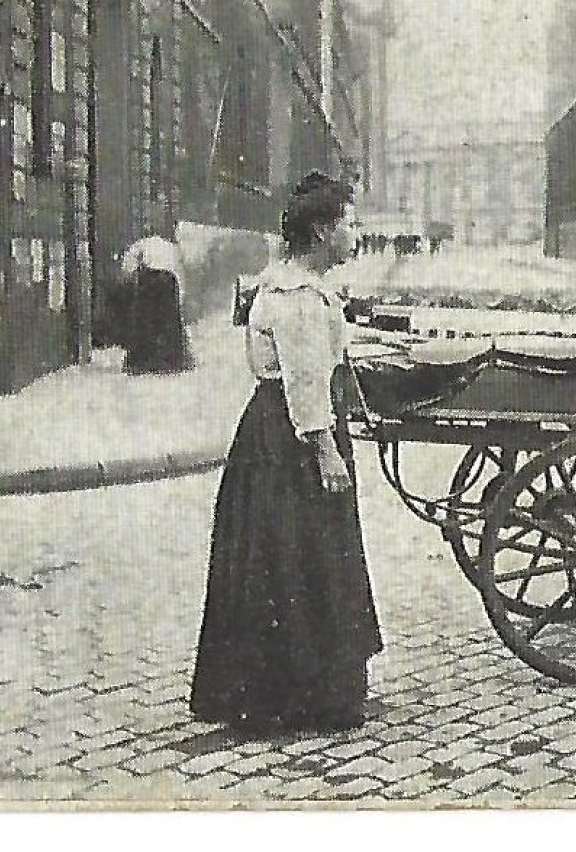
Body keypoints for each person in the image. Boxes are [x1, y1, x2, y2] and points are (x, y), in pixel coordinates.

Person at [190, 172, 381, 733]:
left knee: (291, 559)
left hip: (277, 435)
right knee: (303, 557)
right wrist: (325, 450)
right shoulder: (296, 298)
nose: (355, 234)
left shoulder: (297, 286)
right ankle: (305, 693)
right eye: (349, 224)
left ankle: (292, 685)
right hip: (293, 440)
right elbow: (303, 382)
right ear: (321, 231)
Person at [119, 215, 194, 374]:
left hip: (150, 280)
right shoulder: (172, 248)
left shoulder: (142, 244)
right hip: (169, 282)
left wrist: (129, 280)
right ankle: (172, 361)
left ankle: (142, 362)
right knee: (169, 322)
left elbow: (127, 267)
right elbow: (180, 273)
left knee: (145, 320)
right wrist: (180, 300)